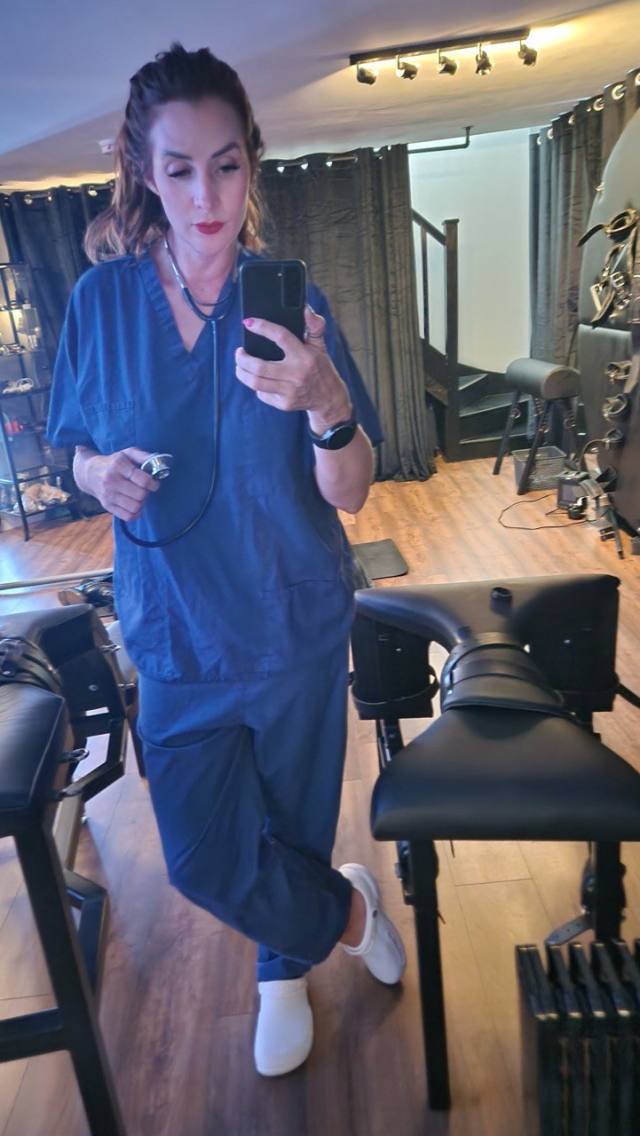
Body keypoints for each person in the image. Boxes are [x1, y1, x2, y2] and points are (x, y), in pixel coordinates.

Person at [47, 42, 406, 1078]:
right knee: (203, 855)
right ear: (143, 171)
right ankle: (346, 911)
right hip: (174, 631)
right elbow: (71, 448)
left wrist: (328, 406)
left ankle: (280, 973)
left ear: (252, 161)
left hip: (292, 621)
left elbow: (352, 490)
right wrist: (96, 472)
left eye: (226, 165)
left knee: (291, 819)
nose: (206, 197)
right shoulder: (101, 304)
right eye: (179, 169)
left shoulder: (290, 305)